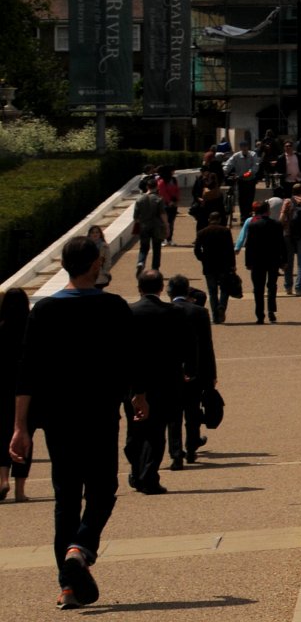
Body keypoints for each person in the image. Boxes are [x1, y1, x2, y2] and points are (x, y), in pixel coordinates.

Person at [11, 236, 141, 611]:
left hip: (58, 420)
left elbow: (27, 374)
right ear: (95, 265)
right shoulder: (114, 307)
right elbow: (130, 358)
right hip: (99, 415)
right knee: (103, 490)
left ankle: (68, 587)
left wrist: (20, 427)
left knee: (65, 499)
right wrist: (138, 394)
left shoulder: (45, 311)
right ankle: (80, 550)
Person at [123, 270, 189, 496]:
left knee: (135, 430)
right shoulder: (174, 313)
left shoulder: (128, 313)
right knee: (156, 431)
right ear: (162, 288)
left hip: (132, 382)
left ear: (139, 288)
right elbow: (184, 346)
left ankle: (136, 472)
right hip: (164, 381)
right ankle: (149, 476)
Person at [163, 276, 214, 469]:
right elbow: (207, 347)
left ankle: (176, 454)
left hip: (171, 371)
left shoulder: (165, 311)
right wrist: (211, 375)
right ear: (187, 292)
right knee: (192, 412)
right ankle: (192, 447)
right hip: (196, 370)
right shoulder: (200, 312)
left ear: (169, 292)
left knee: (174, 415)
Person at [0, 287, 32, 502]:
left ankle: (3, 479)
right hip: (26, 389)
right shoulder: (31, 328)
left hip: (2, 388)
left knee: (2, 434)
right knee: (24, 435)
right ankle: (20, 490)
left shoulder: (0, 329)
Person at [242, 201, 286, 324]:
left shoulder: (253, 225)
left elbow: (249, 245)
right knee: (272, 286)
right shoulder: (277, 225)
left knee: (258, 288)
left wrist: (248, 262)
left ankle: (260, 315)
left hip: (257, 261)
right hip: (273, 260)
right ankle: (271, 311)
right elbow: (282, 244)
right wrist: (284, 260)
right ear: (268, 211)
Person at [191, 212, 237, 323]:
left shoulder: (202, 232)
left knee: (212, 292)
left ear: (209, 219)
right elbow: (230, 250)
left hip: (209, 266)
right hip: (224, 265)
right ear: (220, 219)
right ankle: (222, 306)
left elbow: (197, 250)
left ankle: (215, 316)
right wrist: (233, 265)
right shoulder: (225, 231)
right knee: (225, 289)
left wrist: (203, 258)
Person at [130, 181, 166, 276]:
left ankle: (140, 262)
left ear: (147, 187)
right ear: (156, 187)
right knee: (157, 248)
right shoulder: (159, 199)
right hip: (156, 226)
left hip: (144, 226)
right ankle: (155, 269)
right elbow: (162, 214)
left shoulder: (140, 200)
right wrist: (167, 225)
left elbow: (136, 217)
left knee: (143, 248)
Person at [155, 167, 182, 244]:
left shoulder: (173, 180)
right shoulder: (161, 181)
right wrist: (169, 201)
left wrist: (176, 200)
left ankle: (169, 239)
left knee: (171, 222)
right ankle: (163, 239)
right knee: (164, 222)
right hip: (165, 204)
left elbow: (177, 190)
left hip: (173, 204)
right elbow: (162, 192)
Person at [84, 227, 113, 292]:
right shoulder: (85, 246)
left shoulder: (104, 246)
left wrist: (105, 271)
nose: (95, 234)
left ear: (100, 234)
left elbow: (107, 260)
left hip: (100, 274)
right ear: (89, 234)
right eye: (93, 232)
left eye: (97, 232)